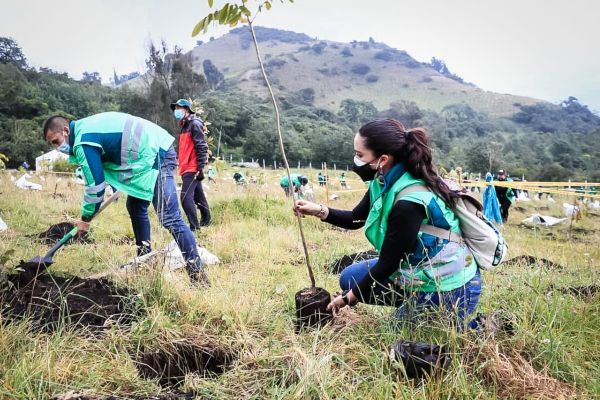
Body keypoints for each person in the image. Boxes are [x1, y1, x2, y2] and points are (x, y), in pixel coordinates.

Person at [294, 118, 481, 329]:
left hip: (449, 284)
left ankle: (470, 324)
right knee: (350, 278)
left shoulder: (409, 201)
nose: (355, 160)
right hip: (415, 270)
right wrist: (318, 210)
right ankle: (413, 303)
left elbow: (387, 264)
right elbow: (356, 218)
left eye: (359, 155)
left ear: (382, 159)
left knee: (392, 337)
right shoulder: (382, 181)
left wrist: (348, 299)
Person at [42, 112, 208, 285]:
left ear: (66, 131)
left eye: (56, 141)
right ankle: (145, 261)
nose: (57, 147)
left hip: (157, 153)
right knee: (135, 207)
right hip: (144, 157)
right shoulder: (84, 131)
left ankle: (198, 275)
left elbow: (95, 187)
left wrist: (85, 218)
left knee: (170, 217)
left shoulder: (83, 141)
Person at [171, 99, 211, 229]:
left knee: (185, 198)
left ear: (187, 109)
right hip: (185, 167)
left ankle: (194, 228)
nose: (176, 111)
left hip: (192, 167)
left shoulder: (194, 124)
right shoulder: (184, 125)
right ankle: (206, 221)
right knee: (198, 196)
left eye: (179, 108)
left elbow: (201, 146)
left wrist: (200, 167)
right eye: (175, 108)